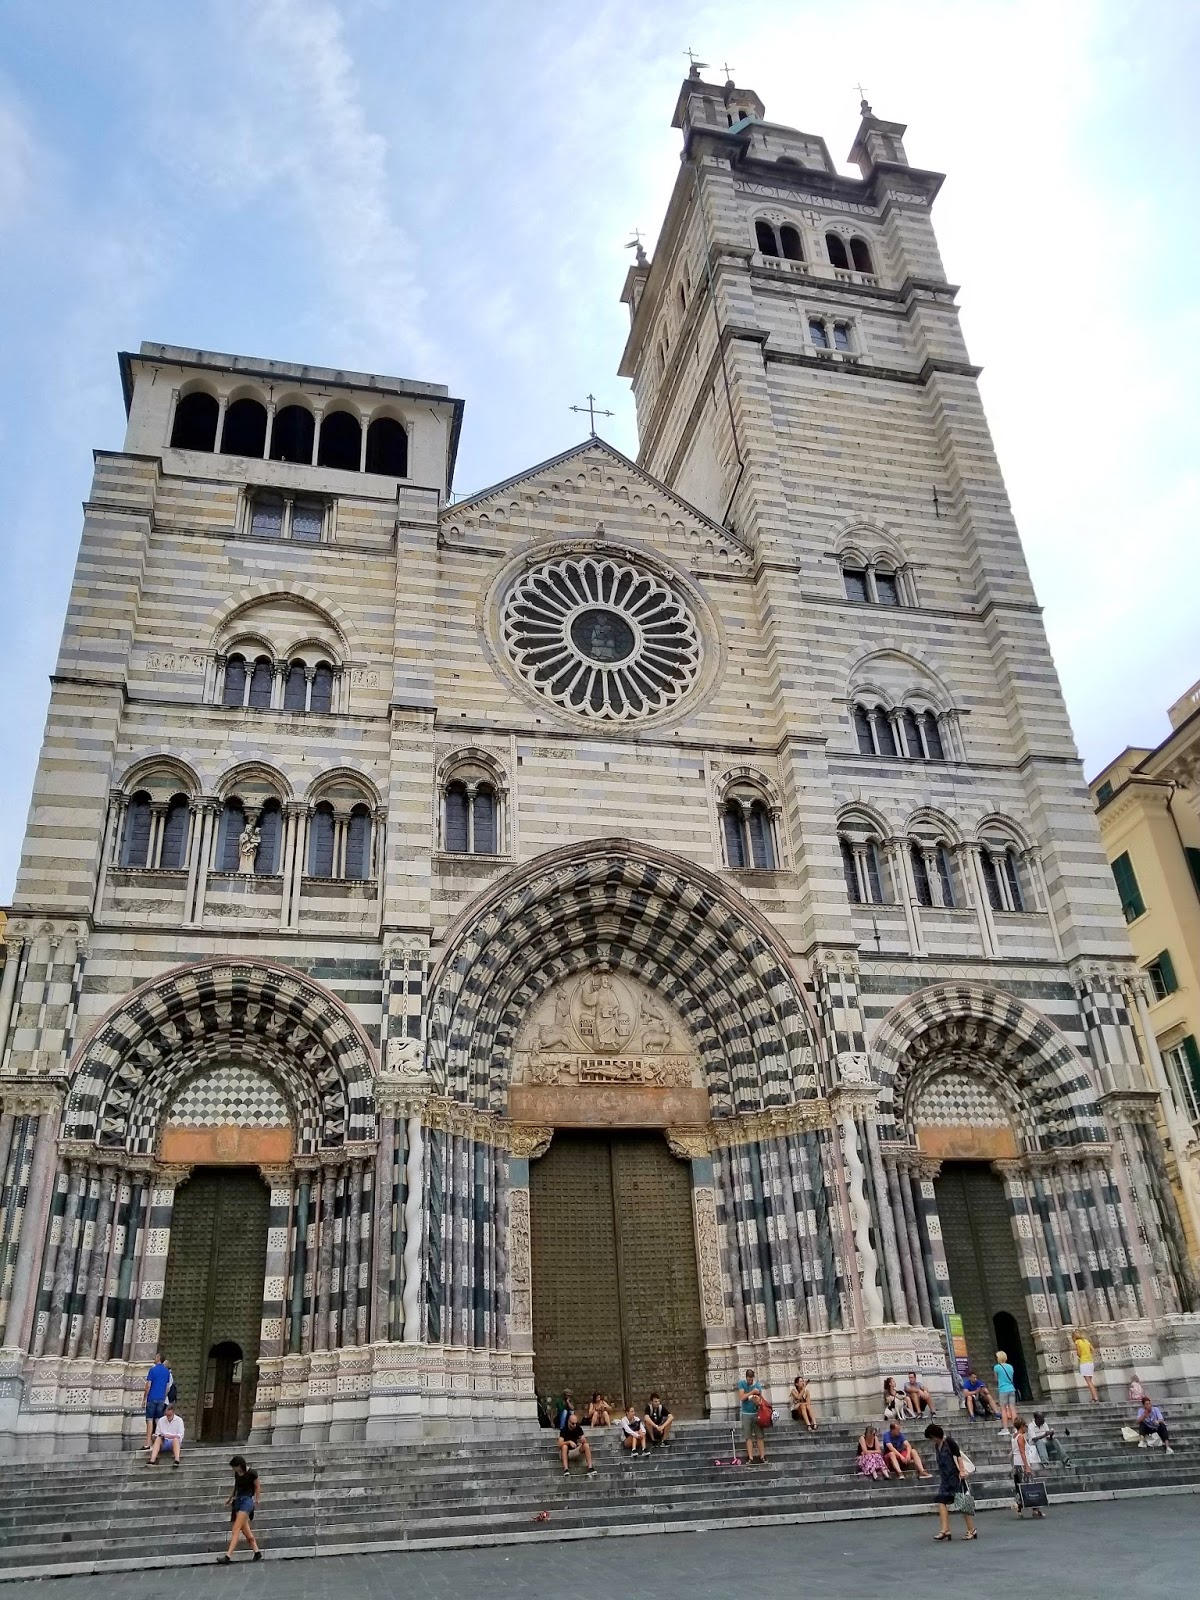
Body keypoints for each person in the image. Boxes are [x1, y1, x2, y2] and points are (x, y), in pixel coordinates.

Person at [925, 1423, 977, 1542]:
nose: (931, 1440)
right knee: (941, 1501)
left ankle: (971, 1529)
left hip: (956, 1477)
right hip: (945, 1479)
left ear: (935, 1436)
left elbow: (958, 1456)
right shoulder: (937, 1446)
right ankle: (945, 1529)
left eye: (931, 1438)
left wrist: (962, 1471)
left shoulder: (949, 1442)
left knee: (963, 1503)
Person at [219, 1455, 262, 1563]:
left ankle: (228, 1556)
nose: (233, 1469)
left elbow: (257, 1486)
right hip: (238, 1501)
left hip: (247, 1501)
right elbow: (236, 1487)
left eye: (234, 1467)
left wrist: (257, 1500)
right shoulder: (237, 1474)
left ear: (239, 1465)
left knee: (236, 1529)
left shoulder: (252, 1473)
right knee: (245, 1530)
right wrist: (230, 1498)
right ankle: (257, 1552)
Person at [1012, 1418, 1045, 1518]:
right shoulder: (1021, 1437)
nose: (1026, 1428)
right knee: (1030, 1486)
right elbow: (1022, 1452)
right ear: (1022, 1426)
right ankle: (1035, 1509)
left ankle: (1019, 1507)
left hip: (1016, 1463)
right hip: (1022, 1464)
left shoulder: (1014, 1436)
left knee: (1020, 1487)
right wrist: (1027, 1466)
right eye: (1025, 1426)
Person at [142, 1352, 173, 1450]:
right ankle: (158, 1443)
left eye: (156, 1357)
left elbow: (148, 1385)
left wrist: (144, 1398)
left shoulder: (153, 1370)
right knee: (158, 1421)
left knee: (149, 1420)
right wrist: (163, 1397)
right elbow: (167, 1388)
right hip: (161, 1399)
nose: (154, 1358)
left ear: (159, 1358)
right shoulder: (166, 1372)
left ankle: (148, 1443)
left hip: (152, 1397)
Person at [738, 1368, 767, 1464]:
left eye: (751, 1380)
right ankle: (750, 1458)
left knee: (760, 1436)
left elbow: (760, 1401)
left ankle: (762, 1456)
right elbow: (741, 1397)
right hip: (746, 1413)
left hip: (756, 1413)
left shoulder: (757, 1385)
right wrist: (751, 1392)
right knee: (748, 1436)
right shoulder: (742, 1384)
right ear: (746, 1378)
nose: (750, 1382)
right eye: (748, 1380)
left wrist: (756, 1399)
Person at [559, 1409, 597, 1476]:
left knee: (586, 1445)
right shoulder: (564, 1430)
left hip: (574, 1450)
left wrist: (583, 1440)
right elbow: (559, 1444)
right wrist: (569, 1442)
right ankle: (566, 1469)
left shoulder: (578, 1428)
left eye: (576, 1423)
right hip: (565, 1452)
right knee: (564, 1447)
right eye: (573, 1423)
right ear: (569, 1422)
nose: (574, 1425)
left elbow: (584, 1439)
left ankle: (590, 1468)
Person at [146, 1401, 185, 1467]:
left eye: (169, 1415)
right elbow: (158, 1433)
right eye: (167, 1415)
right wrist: (157, 1436)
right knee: (158, 1439)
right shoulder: (161, 1420)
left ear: (173, 1413)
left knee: (175, 1439)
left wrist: (170, 1436)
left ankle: (177, 1459)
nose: (168, 1417)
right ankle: (152, 1460)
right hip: (163, 1442)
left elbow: (181, 1435)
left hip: (174, 1442)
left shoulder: (179, 1420)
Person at [992, 1350, 1017, 1435]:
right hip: (1011, 1388)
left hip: (1003, 1389)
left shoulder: (997, 1367)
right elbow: (1011, 1378)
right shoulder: (1010, 1367)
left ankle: (1005, 1428)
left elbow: (996, 1379)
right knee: (1012, 1409)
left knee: (1003, 1409)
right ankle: (1015, 1428)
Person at [1072, 1329, 1099, 1403]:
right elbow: (1093, 1350)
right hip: (1090, 1362)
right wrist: (1088, 1354)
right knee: (1090, 1381)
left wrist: (1080, 1355)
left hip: (1084, 1362)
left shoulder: (1077, 1342)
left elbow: (1079, 1353)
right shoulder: (1086, 1341)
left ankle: (1095, 1398)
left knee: (1089, 1382)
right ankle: (1093, 1398)